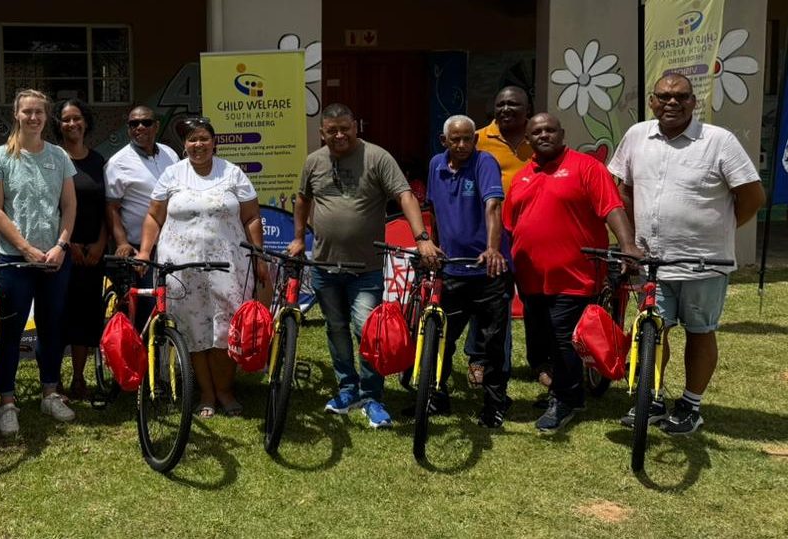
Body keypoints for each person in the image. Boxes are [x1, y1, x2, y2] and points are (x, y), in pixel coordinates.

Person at [607, 73, 766, 434]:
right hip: (652, 262)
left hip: (704, 263)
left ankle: (691, 405)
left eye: (681, 97)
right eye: (663, 97)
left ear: (695, 102)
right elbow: (625, 189)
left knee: (699, 331)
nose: (672, 103)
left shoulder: (718, 141)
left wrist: (721, 230)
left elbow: (753, 196)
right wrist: (630, 242)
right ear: (652, 101)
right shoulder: (637, 136)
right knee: (651, 331)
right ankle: (653, 397)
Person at [286, 103, 433, 429]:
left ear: (356, 128)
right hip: (325, 266)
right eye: (331, 130)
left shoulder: (377, 157)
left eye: (345, 129)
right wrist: (298, 238)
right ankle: (347, 389)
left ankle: (372, 396)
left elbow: (405, 195)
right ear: (322, 132)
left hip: (364, 268)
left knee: (368, 332)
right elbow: (302, 199)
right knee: (335, 330)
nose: (339, 135)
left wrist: (421, 236)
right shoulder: (314, 161)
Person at [503, 113, 640, 433]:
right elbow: (510, 227)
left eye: (550, 130)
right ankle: (560, 388)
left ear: (562, 134)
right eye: (536, 132)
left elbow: (611, 208)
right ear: (528, 139)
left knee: (565, 337)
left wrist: (628, 244)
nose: (544, 135)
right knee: (542, 338)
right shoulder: (521, 178)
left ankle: (568, 398)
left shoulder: (587, 168)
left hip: (575, 276)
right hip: (532, 277)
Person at [137, 117, 266, 418]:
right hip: (182, 268)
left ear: (214, 141)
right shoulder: (172, 175)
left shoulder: (232, 174)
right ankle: (206, 393)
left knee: (226, 327)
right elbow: (154, 217)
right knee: (192, 329)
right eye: (192, 140)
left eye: (204, 138)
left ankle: (225, 390)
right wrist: (145, 251)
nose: (198, 145)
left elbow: (251, 217)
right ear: (184, 145)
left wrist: (258, 255)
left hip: (229, 265)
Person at [0, 88, 77, 436]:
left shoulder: (59, 156)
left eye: (39, 112)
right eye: (27, 112)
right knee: (11, 331)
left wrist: (61, 246)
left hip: (54, 259)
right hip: (16, 261)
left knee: (52, 328)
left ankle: (50, 392)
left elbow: (68, 206)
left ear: (46, 117)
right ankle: (7, 400)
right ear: (16, 115)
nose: (33, 117)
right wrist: (24, 248)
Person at [419, 115, 513, 428]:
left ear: (475, 139)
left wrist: (492, 248)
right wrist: (431, 245)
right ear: (444, 141)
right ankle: (435, 395)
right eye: (455, 139)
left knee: (492, 342)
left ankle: (494, 405)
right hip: (453, 270)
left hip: (488, 269)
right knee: (442, 336)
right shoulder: (436, 164)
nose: (462, 145)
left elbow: (493, 206)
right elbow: (432, 208)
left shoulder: (484, 163)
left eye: (468, 138)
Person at [472, 86, 534, 384]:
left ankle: (541, 361)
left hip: (532, 233)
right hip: (491, 235)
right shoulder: (478, 139)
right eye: (500, 104)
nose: (506, 109)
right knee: (487, 301)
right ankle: (481, 359)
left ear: (527, 109)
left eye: (513, 104)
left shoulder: (539, 138)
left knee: (536, 300)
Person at [53, 98, 108, 400]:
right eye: (65, 119)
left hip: (94, 253)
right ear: (58, 125)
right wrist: (67, 244)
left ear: (86, 122)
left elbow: (106, 207)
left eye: (77, 118)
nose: (72, 124)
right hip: (61, 251)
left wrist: (100, 243)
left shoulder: (99, 161)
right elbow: (50, 207)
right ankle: (53, 379)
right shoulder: (51, 159)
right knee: (58, 313)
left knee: (86, 315)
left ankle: (78, 378)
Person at [105, 106, 179, 323]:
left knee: (173, 303)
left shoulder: (170, 154)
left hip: (173, 245)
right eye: (133, 124)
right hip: (139, 249)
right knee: (147, 311)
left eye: (145, 122)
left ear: (156, 126)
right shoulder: (118, 163)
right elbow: (110, 207)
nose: (139, 127)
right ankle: (144, 356)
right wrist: (121, 242)